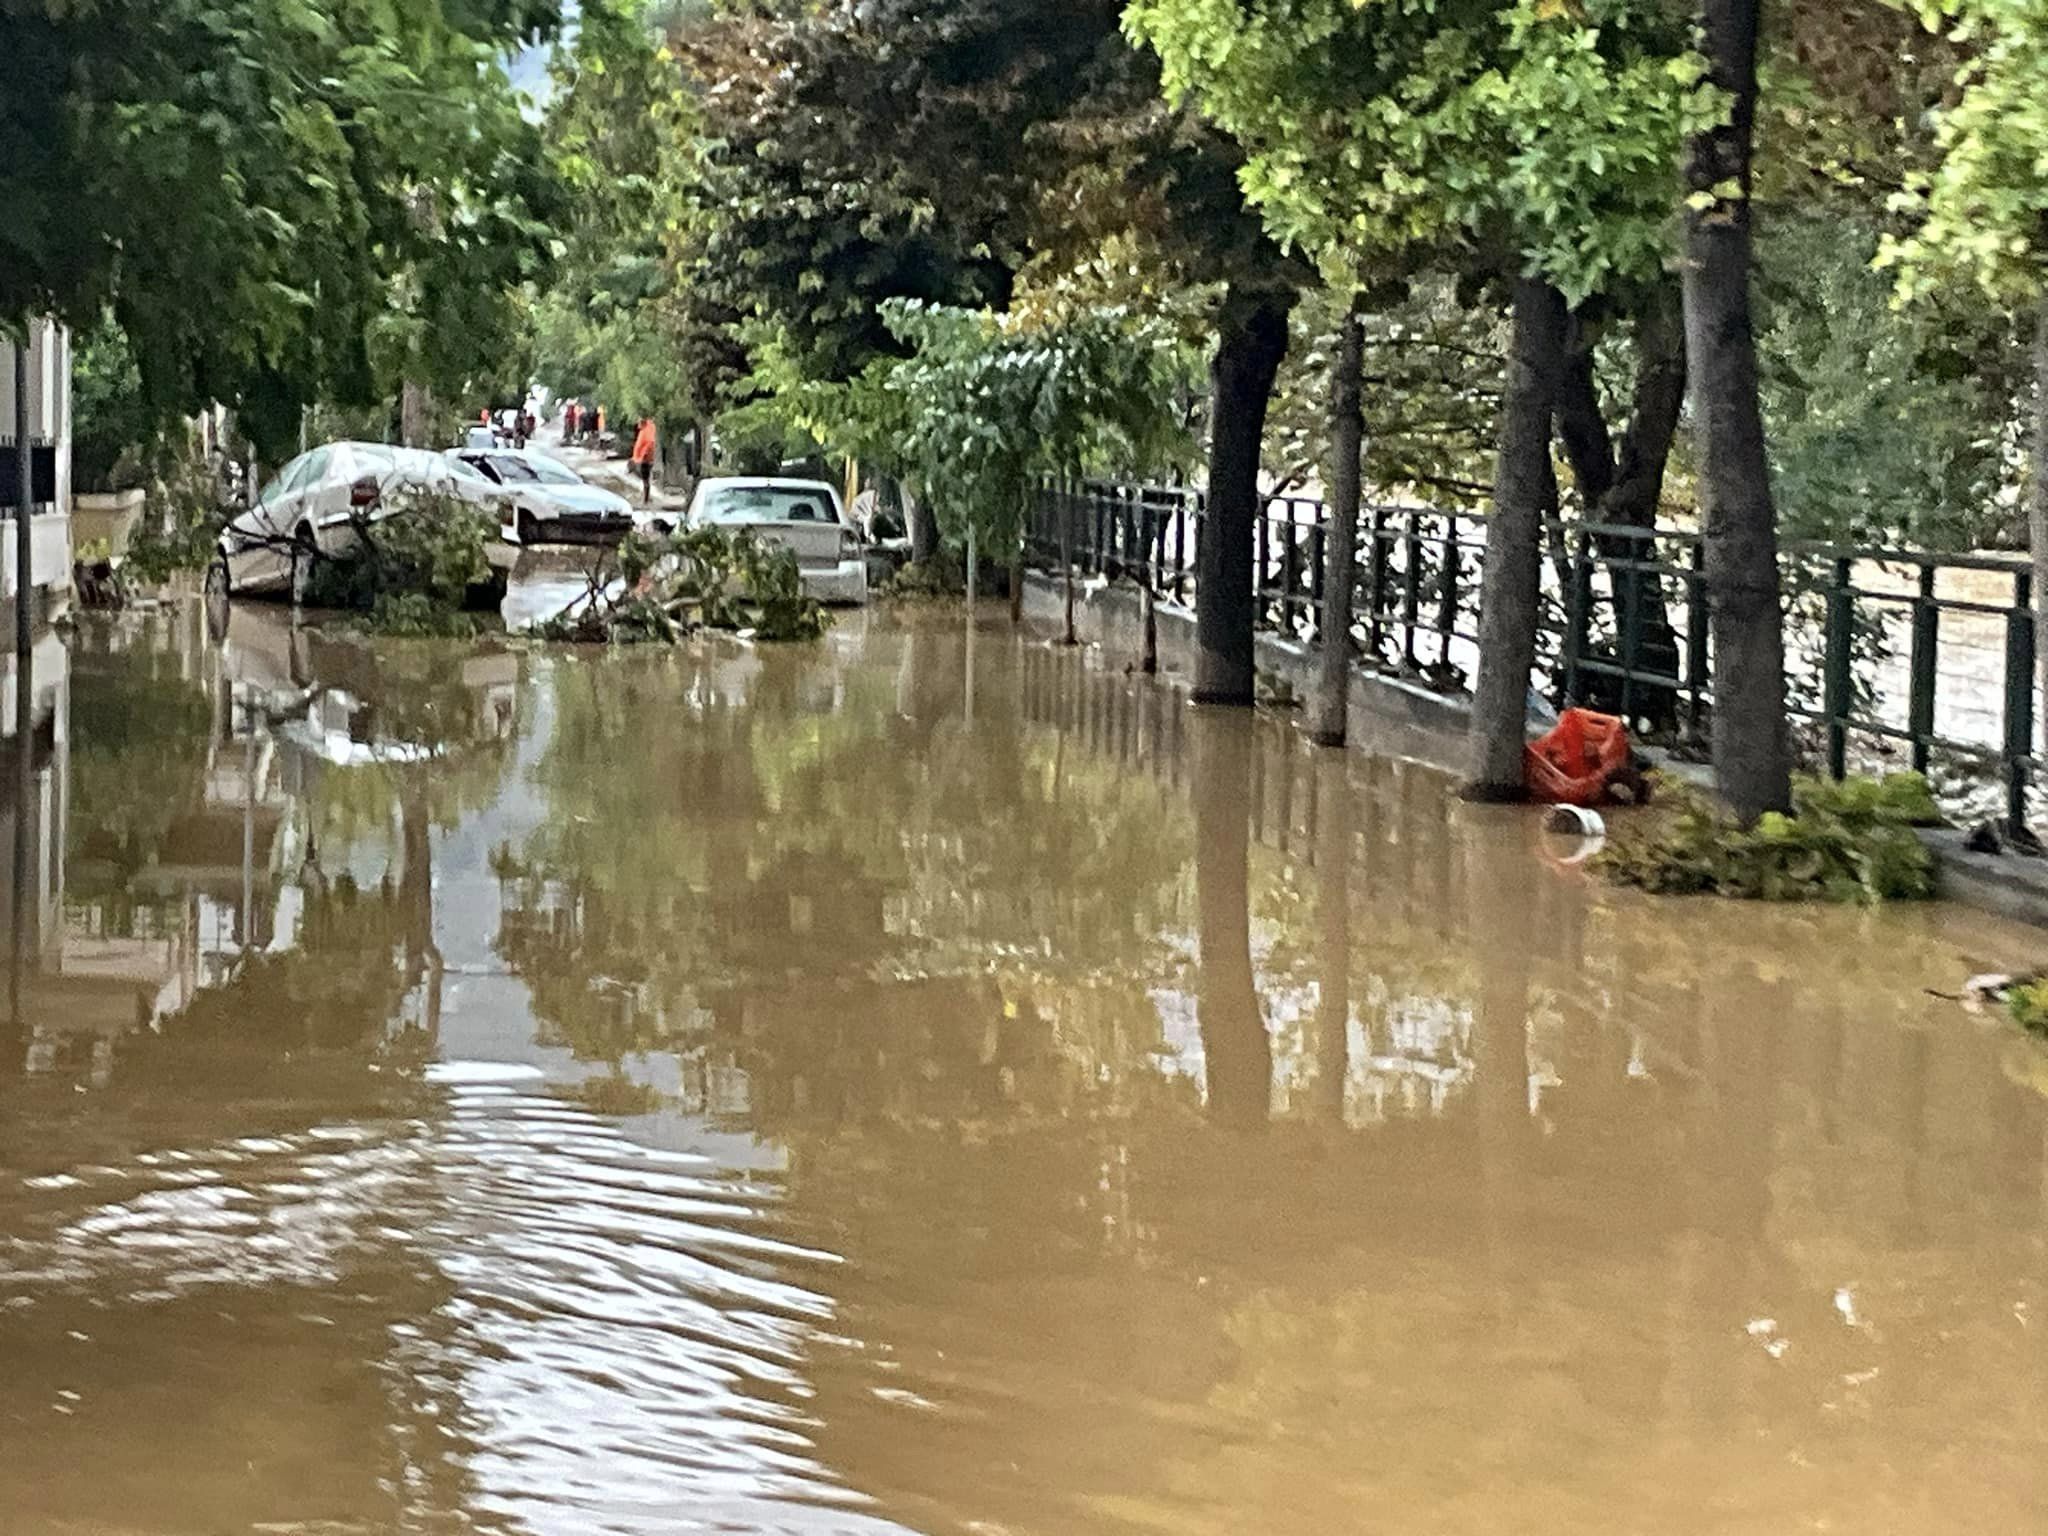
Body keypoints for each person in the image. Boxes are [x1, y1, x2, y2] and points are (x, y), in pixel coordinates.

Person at [630, 417, 657, 505]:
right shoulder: (645, 430)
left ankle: (646, 499)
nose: (637, 423)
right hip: (642, 458)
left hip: (645, 459)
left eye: (639, 421)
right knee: (645, 479)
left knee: (645, 479)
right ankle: (646, 497)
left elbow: (649, 443)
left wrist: (644, 455)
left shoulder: (647, 431)